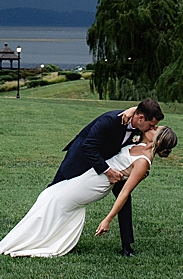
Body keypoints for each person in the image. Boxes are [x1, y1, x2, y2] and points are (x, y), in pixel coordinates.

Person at [0, 125, 178, 258]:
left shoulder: (143, 163)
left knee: (55, 201)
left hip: (97, 185)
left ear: (159, 140)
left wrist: (107, 219)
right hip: (92, 174)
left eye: (155, 129)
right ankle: (17, 240)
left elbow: (124, 193)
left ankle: (33, 244)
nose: (151, 127)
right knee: (48, 195)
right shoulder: (137, 143)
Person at [50, 99, 163, 256]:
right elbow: (88, 146)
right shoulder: (111, 120)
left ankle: (126, 246)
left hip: (114, 164)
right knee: (54, 190)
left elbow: (158, 132)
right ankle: (45, 227)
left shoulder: (139, 125)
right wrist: (107, 170)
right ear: (141, 118)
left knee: (124, 197)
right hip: (81, 157)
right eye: (151, 125)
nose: (152, 129)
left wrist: (132, 109)